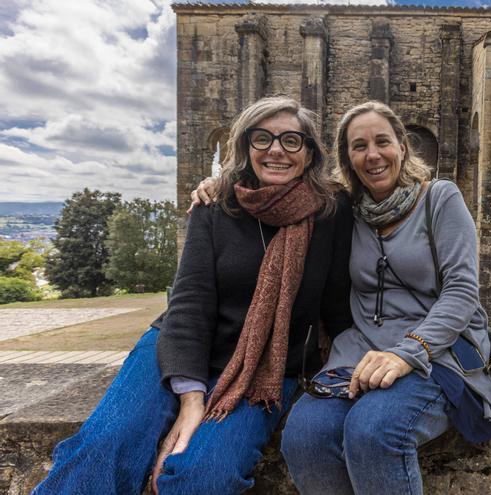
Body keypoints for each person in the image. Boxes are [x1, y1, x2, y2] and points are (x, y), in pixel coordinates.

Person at [33, 96, 353, 495]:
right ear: (245, 147)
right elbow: (190, 300)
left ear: (309, 153)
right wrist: (191, 399)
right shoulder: (217, 205)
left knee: (204, 475)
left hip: (266, 365)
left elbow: (339, 301)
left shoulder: (331, 210)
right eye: (262, 138)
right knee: (105, 446)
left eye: (291, 140)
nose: (275, 149)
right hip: (181, 346)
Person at [279, 101, 491, 494]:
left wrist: (407, 352)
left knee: (373, 433)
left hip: (434, 352)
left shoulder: (440, 199)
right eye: (359, 146)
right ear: (348, 159)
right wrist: (218, 188)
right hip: (359, 353)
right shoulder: (345, 211)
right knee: (304, 440)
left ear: (403, 147)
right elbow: (282, 198)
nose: (372, 154)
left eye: (382, 142)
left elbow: (462, 292)